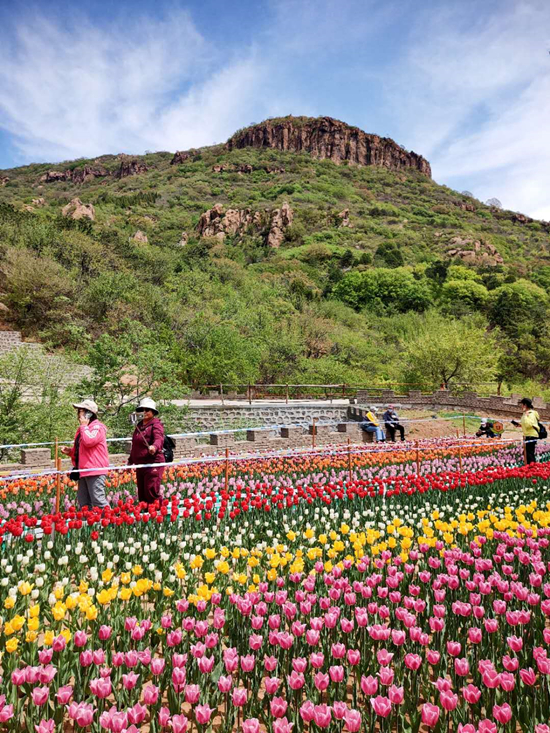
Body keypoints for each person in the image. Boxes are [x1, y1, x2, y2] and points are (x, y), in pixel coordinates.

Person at [61, 399, 109, 509]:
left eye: (80, 411)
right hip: (84, 470)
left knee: (98, 500)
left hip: (95, 470)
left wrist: (83, 426)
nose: (78, 414)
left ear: (89, 413)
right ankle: (88, 524)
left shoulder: (97, 427)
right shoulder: (84, 429)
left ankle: (112, 523)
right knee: (84, 503)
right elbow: (82, 450)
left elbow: (89, 441)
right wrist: (70, 451)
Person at [129, 397, 165, 504]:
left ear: (153, 412)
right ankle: (145, 515)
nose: (144, 412)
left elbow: (159, 439)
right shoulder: (139, 426)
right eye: (142, 410)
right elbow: (135, 445)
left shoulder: (156, 425)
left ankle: (157, 514)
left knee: (151, 490)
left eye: (147, 410)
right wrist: (130, 461)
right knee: (142, 493)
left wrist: (154, 447)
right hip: (141, 464)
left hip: (153, 462)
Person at [511, 397, 540, 464]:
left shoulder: (530, 413)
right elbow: (526, 424)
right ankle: (531, 468)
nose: (521, 406)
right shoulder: (527, 413)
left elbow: (529, 424)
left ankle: (532, 468)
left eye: (522, 404)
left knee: (529, 454)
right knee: (527, 453)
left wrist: (525, 417)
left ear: (525, 405)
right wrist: (518, 424)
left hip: (530, 435)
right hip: (529, 434)